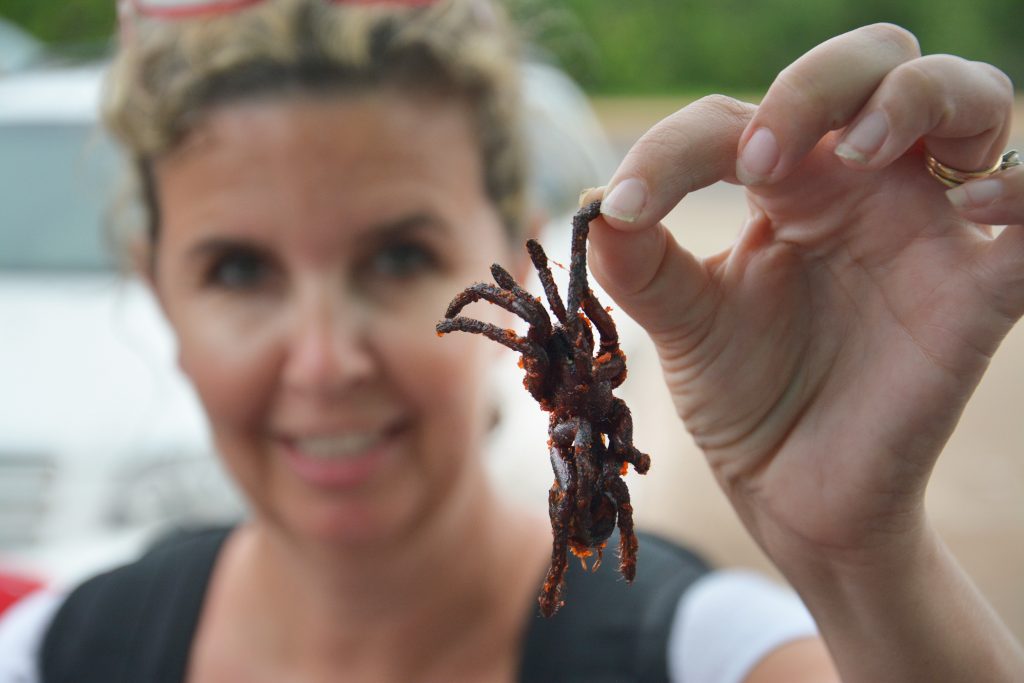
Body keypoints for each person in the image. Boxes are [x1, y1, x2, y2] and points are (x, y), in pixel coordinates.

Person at [0, 0, 1022, 681]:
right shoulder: (54, 650)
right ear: (157, 294)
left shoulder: (712, 650)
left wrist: (860, 558)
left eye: (399, 256)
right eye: (238, 269)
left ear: (513, 239)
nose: (324, 361)